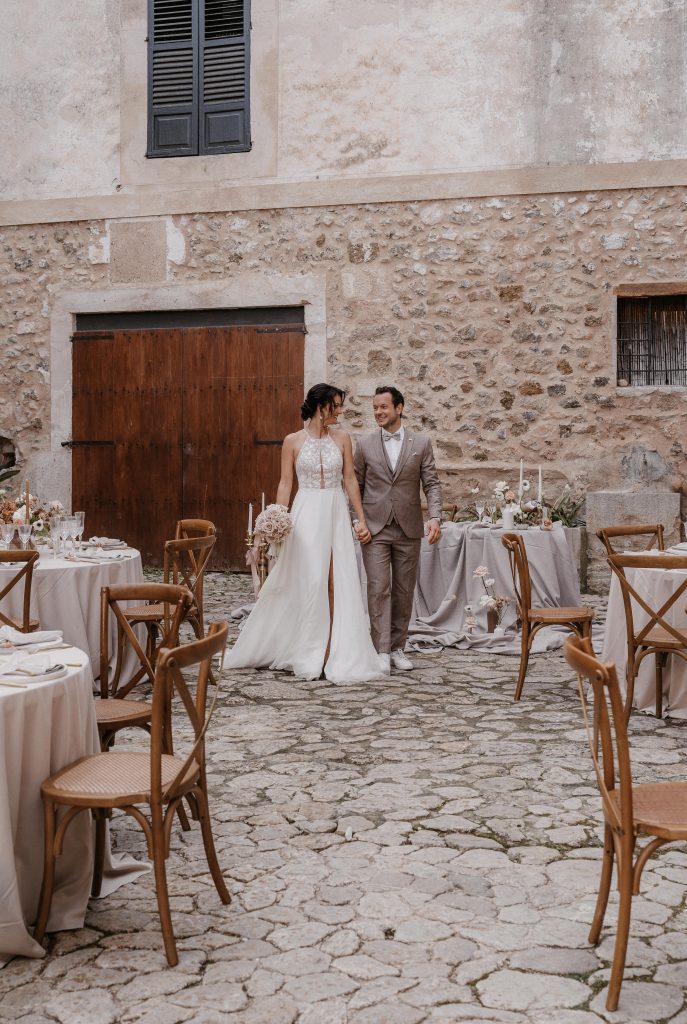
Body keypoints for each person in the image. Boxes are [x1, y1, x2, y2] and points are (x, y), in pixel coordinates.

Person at [225, 384, 384, 683]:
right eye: (336, 405)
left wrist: (360, 519)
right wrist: (276, 519)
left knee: (337, 582)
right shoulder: (292, 441)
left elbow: (350, 480)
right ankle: (307, 646)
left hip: (335, 511)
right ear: (321, 407)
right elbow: (286, 483)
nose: (340, 411)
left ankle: (331, 651)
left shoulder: (343, 438)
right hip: (307, 513)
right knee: (311, 580)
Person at [353, 386, 442, 672]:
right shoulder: (364, 445)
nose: (378, 412)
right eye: (375, 408)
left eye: (384, 407)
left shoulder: (422, 443)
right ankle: (380, 649)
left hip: (408, 527)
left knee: (404, 591)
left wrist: (436, 516)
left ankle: (397, 647)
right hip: (375, 529)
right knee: (379, 588)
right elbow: (355, 486)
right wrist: (358, 522)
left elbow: (431, 483)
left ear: (399, 408)